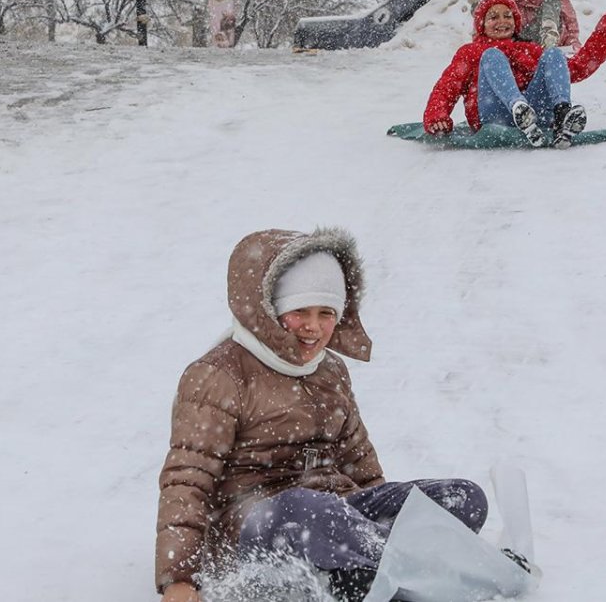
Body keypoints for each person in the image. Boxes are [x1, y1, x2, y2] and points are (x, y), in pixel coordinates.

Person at [155, 227, 490, 602]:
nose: (313, 326)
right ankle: (425, 569)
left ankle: (364, 571)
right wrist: (179, 578)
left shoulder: (330, 371)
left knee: (463, 497)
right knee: (307, 508)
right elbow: (188, 479)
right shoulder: (220, 375)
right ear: (269, 311)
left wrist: (386, 516)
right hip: (254, 526)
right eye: (299, 311)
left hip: (334, 514)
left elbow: (359, 462)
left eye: (325, 313)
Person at [423, 0, 606, 149]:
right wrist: (437, 117)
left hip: (536, 114)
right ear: (481, 25)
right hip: (494, 115)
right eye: (493, 17)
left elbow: (575, 69)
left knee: (554, 54)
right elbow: (447, 87)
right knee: (492, 55)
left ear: (515, 22)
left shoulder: (528, 49)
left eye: (507, 16)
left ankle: (562, 115)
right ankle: (518, 108)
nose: (502, 21)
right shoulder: (470, 52)